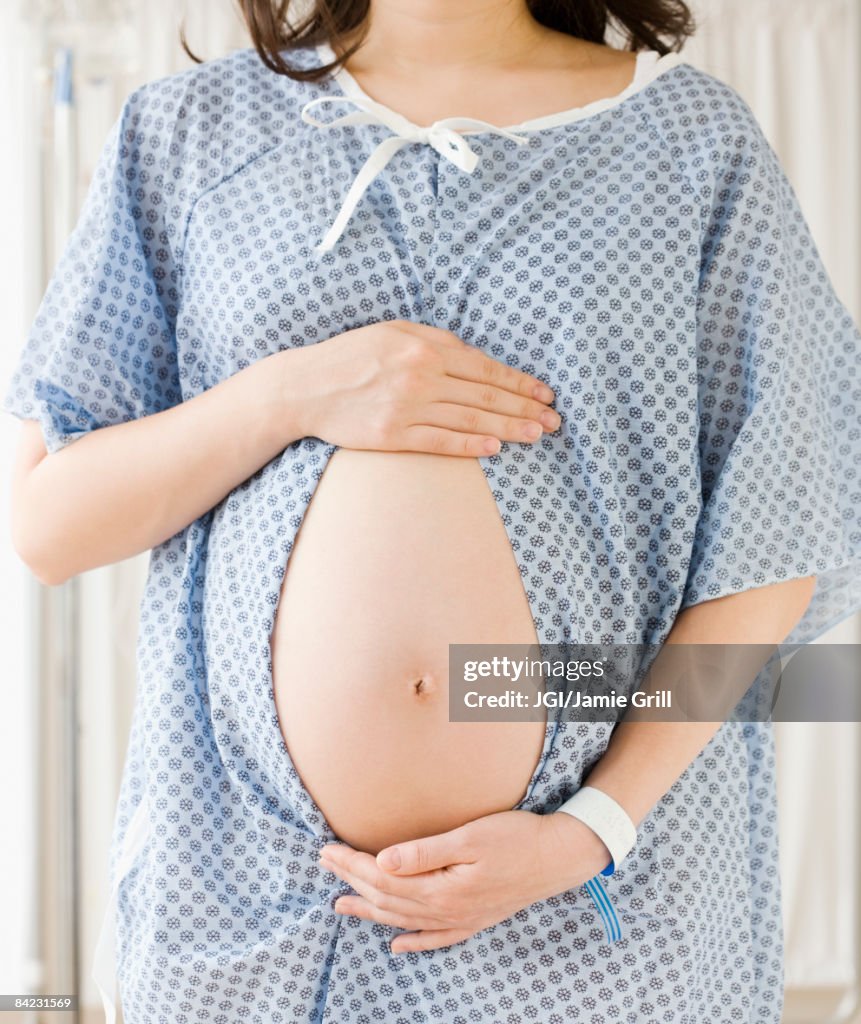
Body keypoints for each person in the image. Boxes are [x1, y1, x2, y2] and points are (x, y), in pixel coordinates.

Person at [4, 0, 859, 1021]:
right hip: (259, 903)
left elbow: (781, 529)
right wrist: (292, 393)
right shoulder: (189, 131)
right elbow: (50, 524)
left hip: (599, 901)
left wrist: (593, 824)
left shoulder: (691, 141)